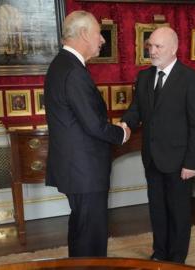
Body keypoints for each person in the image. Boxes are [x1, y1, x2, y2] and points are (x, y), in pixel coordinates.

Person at [44, 10, 130, 258]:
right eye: (98, 34)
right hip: (85, 170)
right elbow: (94, 124)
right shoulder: (73, 71)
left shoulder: (62, 64)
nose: (102, 40)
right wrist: (121, 133)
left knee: (81, 229)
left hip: (76, 168)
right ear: (83, 34)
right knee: (91, 236)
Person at [120, 26, 195, 264]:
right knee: (157, 209)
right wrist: (125, 123)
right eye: (150, 45)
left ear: (174, 49)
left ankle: (177, 260)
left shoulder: (191, 79)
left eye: (158, 46)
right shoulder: (145, 76)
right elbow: (136, 109)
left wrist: (191, 162)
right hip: (152, 158)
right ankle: (160, 253)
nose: (153, 50)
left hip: (180, 161)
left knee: (178, 212)